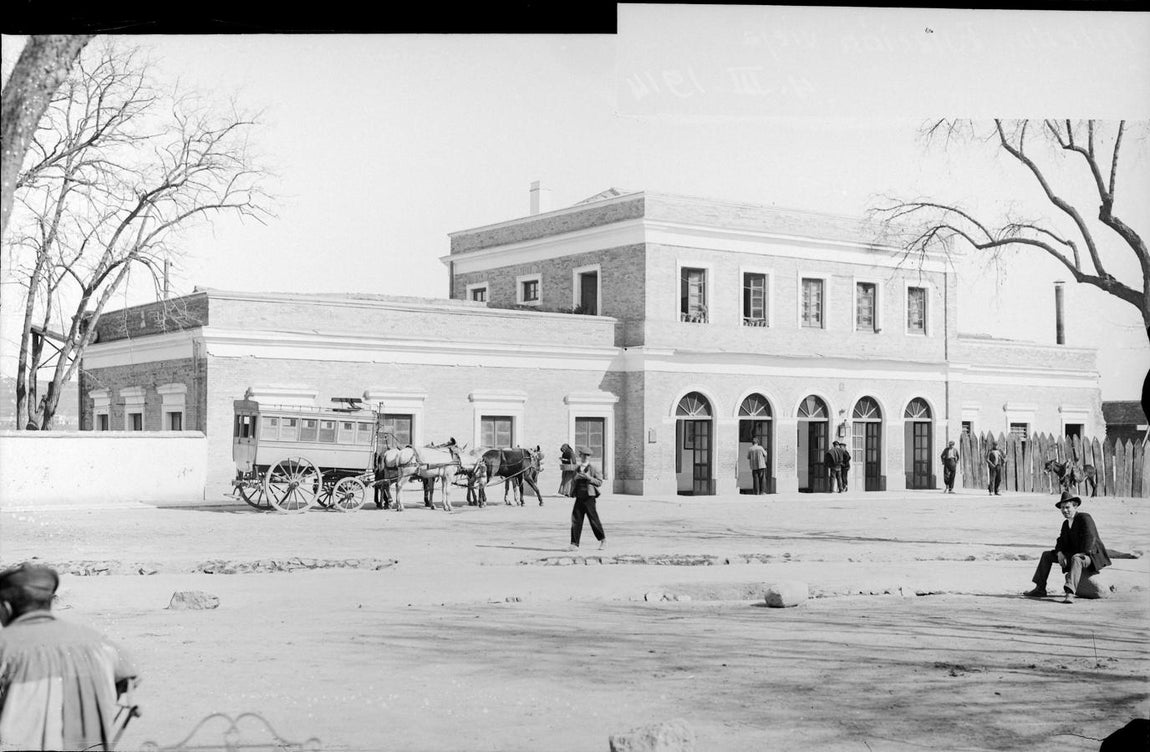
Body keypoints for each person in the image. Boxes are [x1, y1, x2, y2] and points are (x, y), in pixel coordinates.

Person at [0, 563, 140, 751]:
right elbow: (130, 676)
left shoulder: (6, 645)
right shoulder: (97, 641)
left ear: (6, 607)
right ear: (49, 602)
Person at [1024, 491, 1111, 604]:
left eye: (1067, 507)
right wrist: (1059, 553)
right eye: (1062, 508)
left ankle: (1070, 593)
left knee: (1076, 558)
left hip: (1090, 555)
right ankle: (1040, 588)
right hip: (1075, 555)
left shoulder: (1084, 517)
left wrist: (1084, 553)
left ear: (1075, 506)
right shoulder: (1066, 524)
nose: (1064, 510)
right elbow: (1060, 541)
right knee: (1046, 555)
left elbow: (1091, 537)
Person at [568, 446, 606, 551]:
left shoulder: (594, 468)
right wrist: (575, 478)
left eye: (587, 455)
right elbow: (572, 482)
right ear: (580, 456)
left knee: (594, 520)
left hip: (589, 498)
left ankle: (603, 540)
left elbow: (599, 482)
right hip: (579, 497)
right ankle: (574, 544)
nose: (585, 457)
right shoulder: (577, 468)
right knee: (576, 520)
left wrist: (589, 478)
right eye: (583, 455)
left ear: (589, 457)